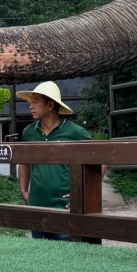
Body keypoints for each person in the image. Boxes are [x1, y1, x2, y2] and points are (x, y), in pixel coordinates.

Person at [16, 82, 92, 240]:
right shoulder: (29, 132)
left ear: (50, 105)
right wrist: (23, 190)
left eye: (35, 101)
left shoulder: (74, 132)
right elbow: (23, 162)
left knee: (65, 259)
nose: (30, 106)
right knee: (41, 259)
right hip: (36, 207)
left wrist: (84, 191)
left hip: (63, 207)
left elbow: (102, 158)